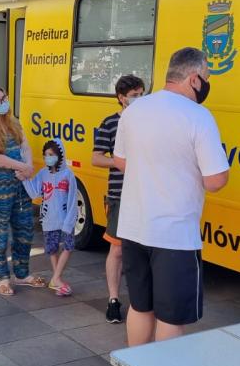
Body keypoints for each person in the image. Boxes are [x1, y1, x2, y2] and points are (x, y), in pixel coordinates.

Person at [114, 47, 229, 345]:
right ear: (193, 78)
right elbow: (216, 180)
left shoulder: (134, 110)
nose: (206, 83)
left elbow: (121, 161)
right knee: (171, 318)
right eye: (206, 76)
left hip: (134, 227)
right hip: (174, 235)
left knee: (140, 307)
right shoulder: (199, 116)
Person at [0, 85, 46, 296]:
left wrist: (28, 167)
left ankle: (22, 274)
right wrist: (22, 167)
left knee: (25, 230)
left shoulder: (13, 122)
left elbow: (25, 146)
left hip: (20, 186)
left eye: (3, 99)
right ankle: (2, 278)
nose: (2, 104)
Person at [92, 74, 145, 323]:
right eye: (134, 95)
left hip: (146, 194)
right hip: (119, 195)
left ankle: (142, 299)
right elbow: (96, 158)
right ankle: (113, 299)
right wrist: (121, 162)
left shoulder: (150, 122)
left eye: (141, 93)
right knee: (117, 249)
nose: (139, 98)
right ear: (121, 98)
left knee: (144, 249)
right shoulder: (110, 123)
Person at [23, 140, 78, 297]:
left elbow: (73, 199)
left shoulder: (68, 175)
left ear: (59, 156)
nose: (48, 158)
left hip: (65, 218)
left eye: (51, 155)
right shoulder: (42, 174)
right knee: (52, 249)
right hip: (48, 219)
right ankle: (57, 279)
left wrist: (69, 220)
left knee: (68, 246)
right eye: (46, 155)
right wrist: (24, 179)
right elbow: (34, 193)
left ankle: (55, 278)